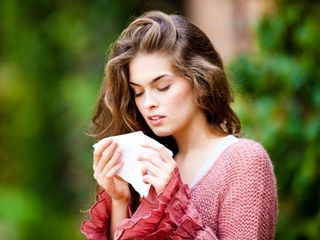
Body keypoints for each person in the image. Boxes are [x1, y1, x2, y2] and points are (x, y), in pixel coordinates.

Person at [81, 10, 278, 240]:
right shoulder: (151, 166)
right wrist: (120, 201)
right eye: (138, 92)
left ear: (200, 81)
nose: (148, 103)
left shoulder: (243, 162)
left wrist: (175, 201)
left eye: (163, 86)